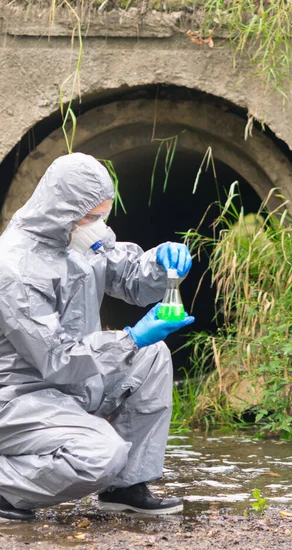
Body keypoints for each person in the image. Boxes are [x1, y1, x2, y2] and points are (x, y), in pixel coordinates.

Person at [0, 152, 194, 521]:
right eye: (91, 217)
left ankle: (126, 486)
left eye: (103, 215)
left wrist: (161, 263)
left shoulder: (82, 238)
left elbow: (133, 279)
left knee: (152, 356)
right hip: (18, 396)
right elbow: (57, 359)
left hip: (71, 383)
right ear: (60, 210)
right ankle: (7, 487)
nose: (98, 226)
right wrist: (130, 338)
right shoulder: (14, 267)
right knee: (100, 454)